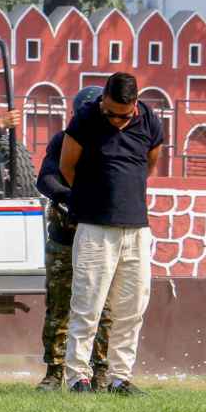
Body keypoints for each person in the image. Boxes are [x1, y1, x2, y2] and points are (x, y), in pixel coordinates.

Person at [60, 72, 163, 395]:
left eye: (125, 114)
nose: (118, 120)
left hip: (136, 228)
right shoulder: (85, 120)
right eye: (112, 113)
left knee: (132, 307)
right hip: (95, 227)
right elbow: (67, 166)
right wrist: (93, 197)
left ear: (135, 104)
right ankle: (78, 376)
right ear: (102, 99)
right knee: (87, 303)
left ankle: (120, 377)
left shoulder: (149, 121)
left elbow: (150, 163)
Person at [35, 86, 113, 392]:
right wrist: (71, 196)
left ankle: (101, 373)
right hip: (65, 237)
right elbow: (46, 178)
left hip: (102, 240)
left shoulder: (114, 143)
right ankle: (54, 373)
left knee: (103, 310)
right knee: (58, 307)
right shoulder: (62, 140)